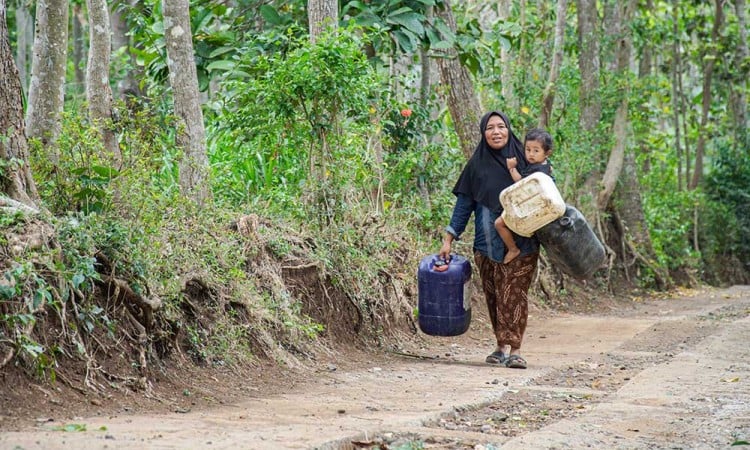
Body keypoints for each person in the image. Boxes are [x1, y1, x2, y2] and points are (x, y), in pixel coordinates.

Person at [438, 111, 539, 370]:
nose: (496, 132)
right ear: (483, 133)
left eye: (501, 126)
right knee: (494, 296)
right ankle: (499, 346)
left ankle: (515, 349)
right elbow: (463, 206)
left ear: (509, 129)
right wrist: (449, 239)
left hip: (524, 243)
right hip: (487, 245)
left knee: (514, 294)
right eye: (490, 128)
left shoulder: (525, 160)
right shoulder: (476, 166)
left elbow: (544, 193)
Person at [494, 128, 554, 264]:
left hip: (529, 208)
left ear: (547, 153)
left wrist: (512, 168)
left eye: (536, 150)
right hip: (534, 207)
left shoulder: (537, 170)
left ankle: (513, 249)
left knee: (499, 224)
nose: (530, 154)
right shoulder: (546, 166)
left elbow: (521, 183)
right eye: (528, 149)